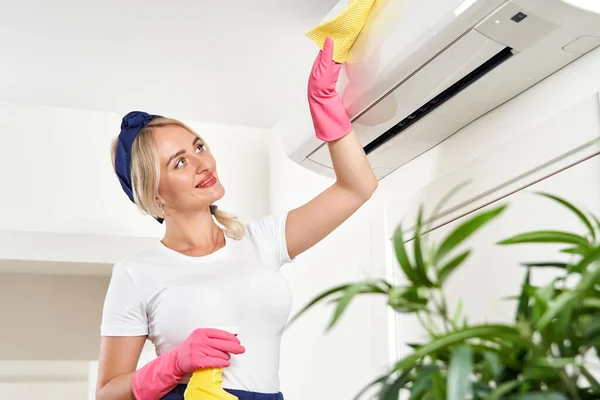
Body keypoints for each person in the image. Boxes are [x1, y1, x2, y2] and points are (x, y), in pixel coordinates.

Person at [95, 37, 378, 400]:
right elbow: (106, 394)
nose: (202, 163)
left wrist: (324, 101)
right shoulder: (136, 273)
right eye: (179, 162)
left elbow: (357, 187)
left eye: (199, 147)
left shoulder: (261, 240)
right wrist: (173, 364)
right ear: (156, 197)